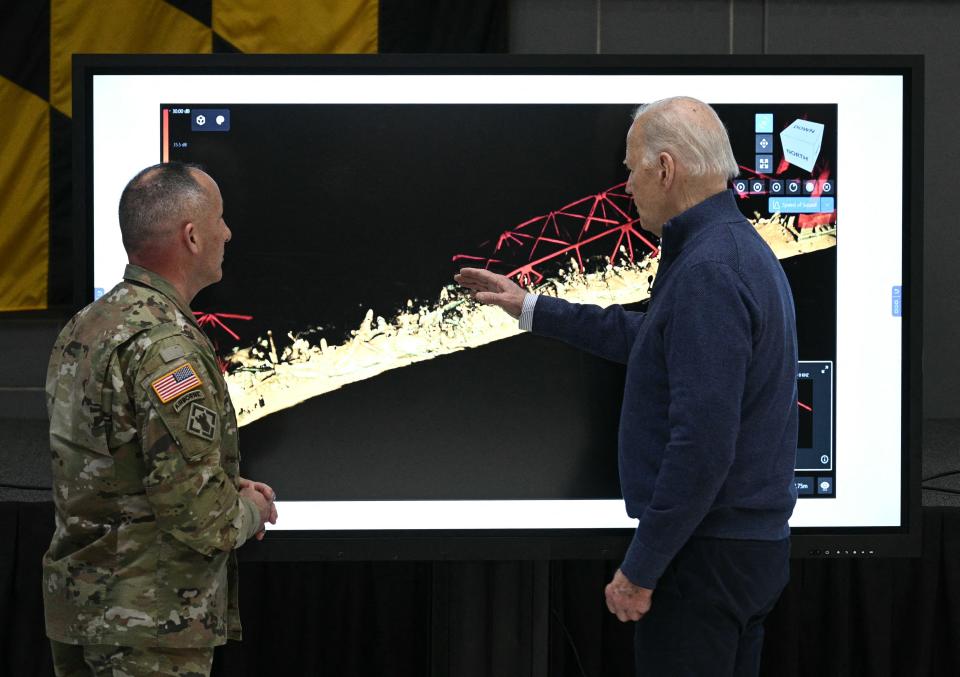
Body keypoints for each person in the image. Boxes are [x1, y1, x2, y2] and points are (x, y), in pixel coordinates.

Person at [455, 97, 798, 676]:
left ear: (665, 168)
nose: (627, 184)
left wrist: (642, 567)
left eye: (633, 167)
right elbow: (656, 343)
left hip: (704, 557)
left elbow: (702, 446)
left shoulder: (709, 270)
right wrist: (532, 308)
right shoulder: (731, 250)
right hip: (739, 553)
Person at [43, 162, 278, 677]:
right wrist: (251, 510)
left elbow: (115, 466)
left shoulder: (89, 324)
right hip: (148, 628)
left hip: (83, 611)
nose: (229, 232)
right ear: (192, 236)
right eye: (219, 219)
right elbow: (201, 519)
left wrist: (222, 483)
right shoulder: (168, 349)